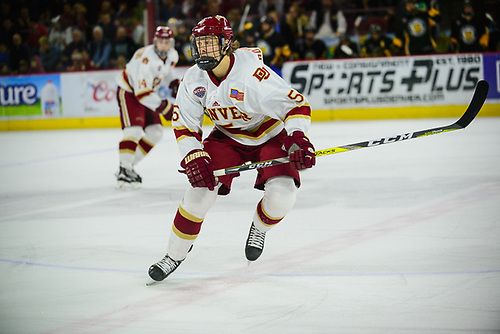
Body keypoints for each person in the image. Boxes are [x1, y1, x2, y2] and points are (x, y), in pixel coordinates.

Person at [148, 15, 316, 283]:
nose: (203, 50)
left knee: (283, 195)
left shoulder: (252, 73)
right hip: (227, 138)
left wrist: (298, 137)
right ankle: (174, 254)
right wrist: (192, 155)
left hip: (269, 134)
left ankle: (259, 227)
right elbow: (185, 125)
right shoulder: (193, 80)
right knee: (198, 192)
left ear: (227, 43)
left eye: (209, 43)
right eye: (199, 43)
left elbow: (295, 105)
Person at [115, 26, 180, 188]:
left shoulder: (172, 55)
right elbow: (141, 94)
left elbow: (167, 72)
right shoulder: (145, 60)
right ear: (155, 42)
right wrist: (165, 108)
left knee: (156, 132)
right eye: (160, 41)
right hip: (130, 92)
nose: (163, 45)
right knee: (134, 130)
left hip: (148, 93)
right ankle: (124, 169)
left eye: (167, 42)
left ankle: (128, 165)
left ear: (171, 43)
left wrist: (174, 84)